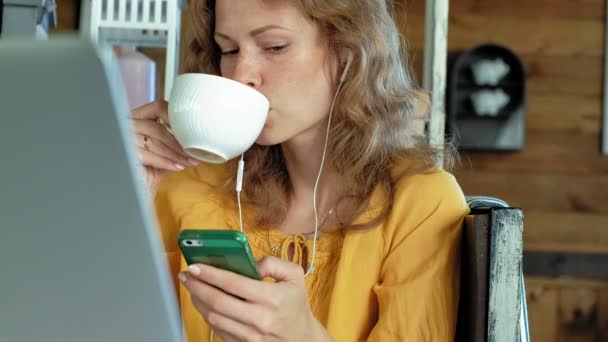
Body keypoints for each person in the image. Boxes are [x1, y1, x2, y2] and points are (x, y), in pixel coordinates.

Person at [131, 0, 469, 340]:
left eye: (274, 47)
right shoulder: (187, 188)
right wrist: (125, 203)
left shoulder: (421, 205)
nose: (240, 75)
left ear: (348, 49)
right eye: (229, 50)